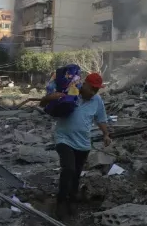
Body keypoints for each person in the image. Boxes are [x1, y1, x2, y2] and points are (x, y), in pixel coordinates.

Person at [40, 72, 111, 220]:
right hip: (64, 138)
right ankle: (60, 202)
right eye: (92, 88)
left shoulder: (97, 100)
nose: (93, 92)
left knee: (76, 174)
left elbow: (101, 119)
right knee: (68, 169)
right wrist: (50, 98)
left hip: (83, 143)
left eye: (96, 90)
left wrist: (106, 134)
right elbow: (43, 104)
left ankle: (72, 200)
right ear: (84, 84)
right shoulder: (70, 92)